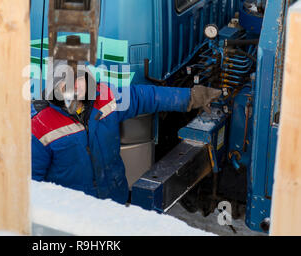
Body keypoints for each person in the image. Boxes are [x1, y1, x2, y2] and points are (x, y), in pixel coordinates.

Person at [31, 62, 221, 204]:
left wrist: (190, 97)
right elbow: (31, 185)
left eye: (79, 79)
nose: (76, 88)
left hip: (114, 201)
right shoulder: (40, 126)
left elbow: (144, 97)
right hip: (74, 212)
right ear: (55, 90)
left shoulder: (105, 99)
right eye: (66, 84)